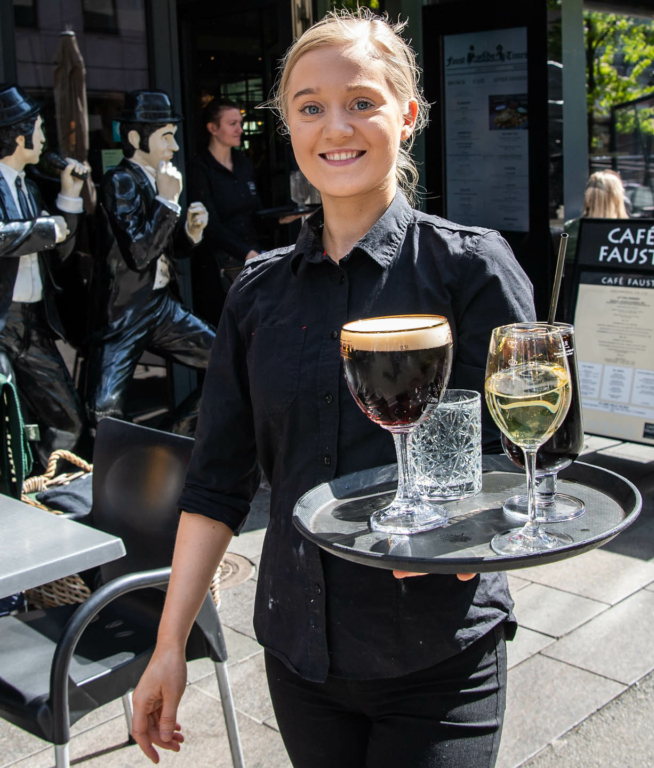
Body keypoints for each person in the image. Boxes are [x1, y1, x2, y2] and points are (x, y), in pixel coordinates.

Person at [129, 10, 534, 768]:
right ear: (288, 127)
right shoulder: (257, 294)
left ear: (407, 116)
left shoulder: (469, 270)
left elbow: (524, 455)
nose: (334, 126)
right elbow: (216, 483)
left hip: (435, 659)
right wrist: (168, 644)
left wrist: (471, 531)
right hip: (297, 654)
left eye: (361, 102)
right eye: (310, 107)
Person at [87, 90, 213, 433]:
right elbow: (140, 254)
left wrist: (190, 232)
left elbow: (168, 248)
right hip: (125, 311)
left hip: (159, 305)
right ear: (134, 138)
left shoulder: (158, 179)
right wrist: (169, 203)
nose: (174, 147)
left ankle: (176, 435)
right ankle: (123, 460)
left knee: (227, 362)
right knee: (103, 409)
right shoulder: (119, 181)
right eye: (166, 137)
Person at [0, 84, 90, 461]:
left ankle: (45, 491)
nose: (42, 139)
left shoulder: (31, 189)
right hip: (3, 322)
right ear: (20, 135)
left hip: (32, 321)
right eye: (38, 130)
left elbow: (61, 250)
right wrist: (43, 229)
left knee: (66, 418)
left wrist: (69, 197)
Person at [187, 98, 304, 325]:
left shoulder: (243, 164)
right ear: (212, 128)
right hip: (218, 266)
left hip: (249, 258)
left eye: (240, 122)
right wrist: (248, 254)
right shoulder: (199, 168)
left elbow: (255, 215)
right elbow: (210, 226)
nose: (240, 129)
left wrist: (280, 218)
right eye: (232, 123)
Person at [563, 169, 628, 261]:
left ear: (588, 197)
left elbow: (560, 268)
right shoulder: (629, 234)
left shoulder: (570, 228)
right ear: (617, 198)